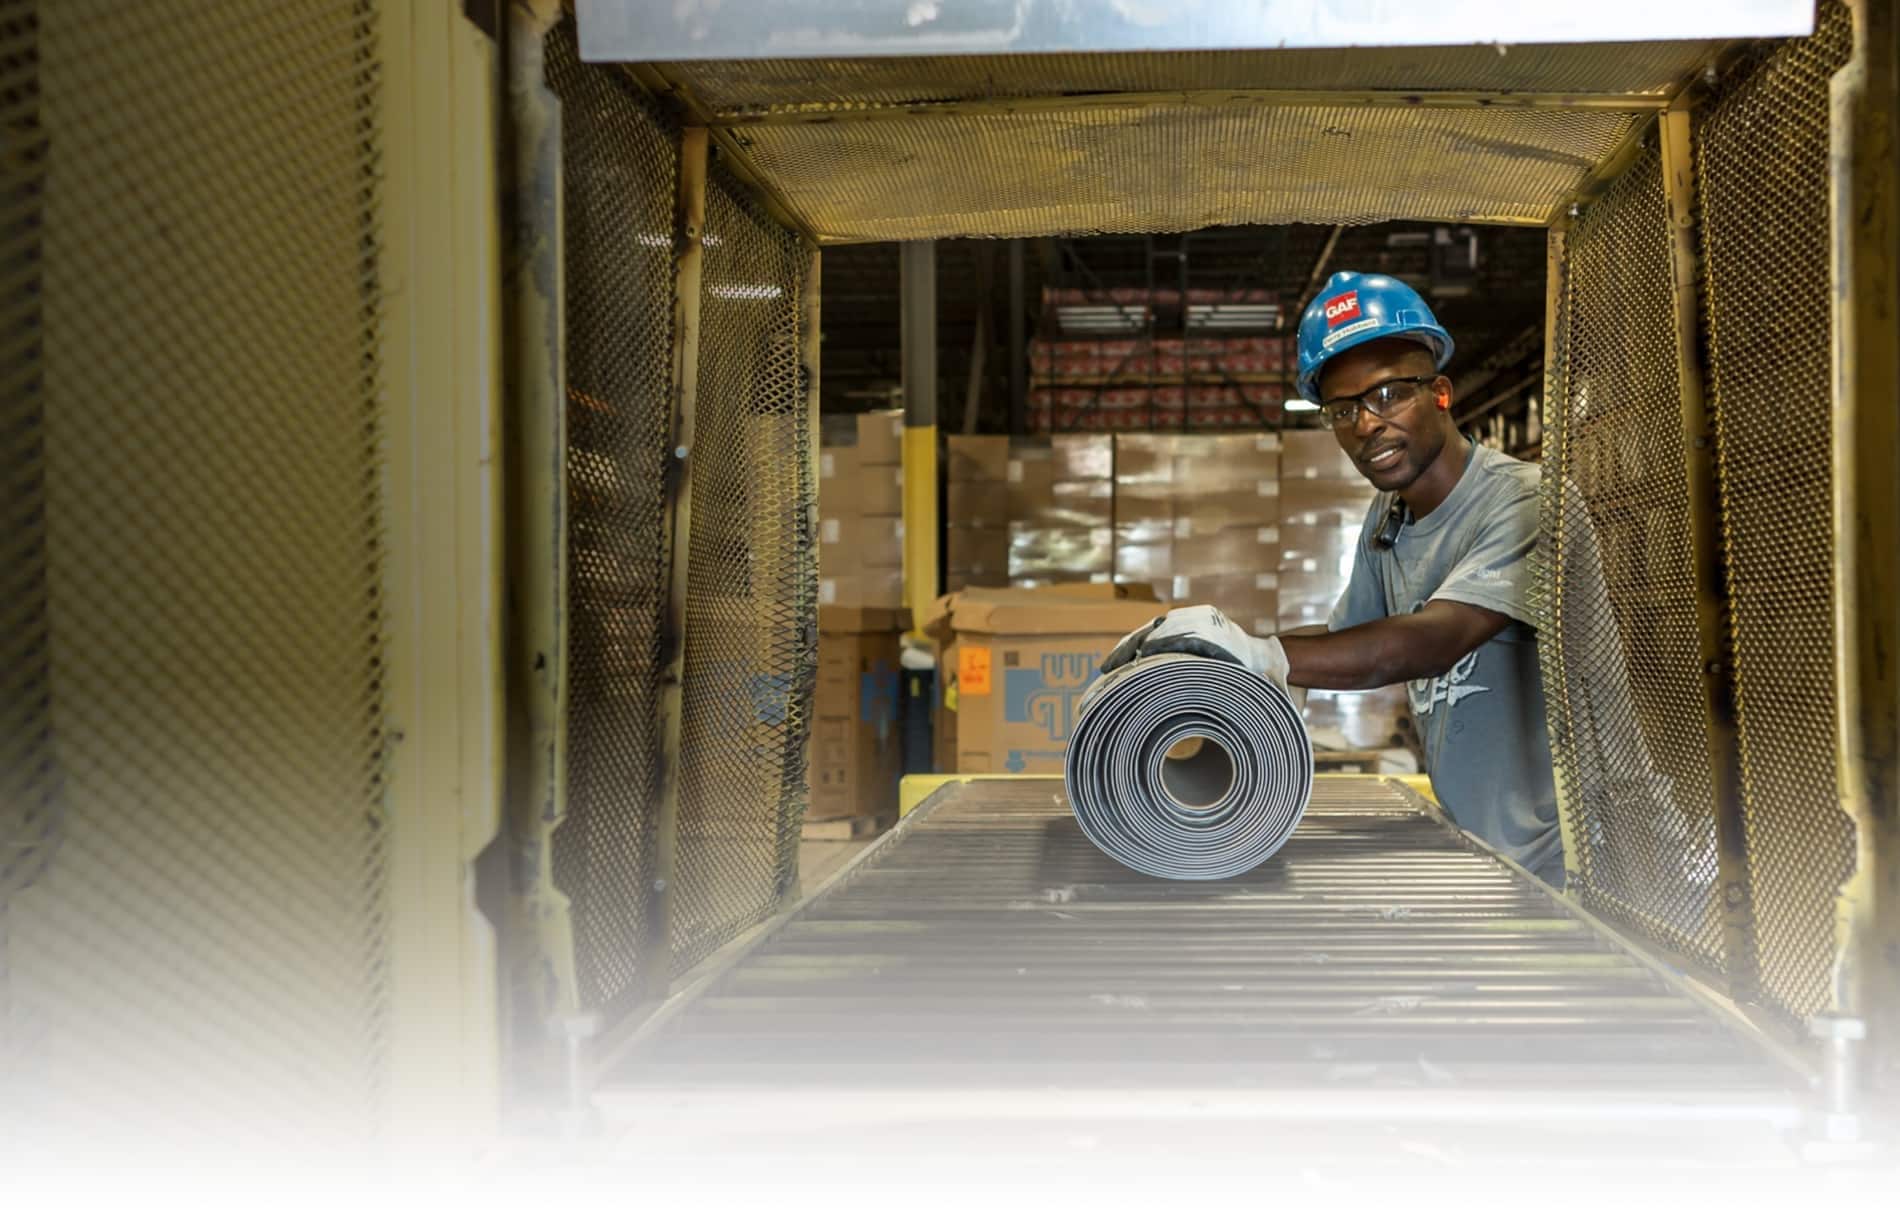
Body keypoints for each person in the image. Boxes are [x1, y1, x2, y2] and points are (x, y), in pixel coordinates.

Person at [1100, 271, 1562, 885]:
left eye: (1389, 394)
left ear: (1442, 393)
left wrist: (1264, 655)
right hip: (1494, 852)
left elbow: (1433, 640)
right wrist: (1215, 664)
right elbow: (1352, 639)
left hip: (1582, 858)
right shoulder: (1390, 517)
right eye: (1343, 410)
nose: (1366, 424)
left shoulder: (1525, 502)